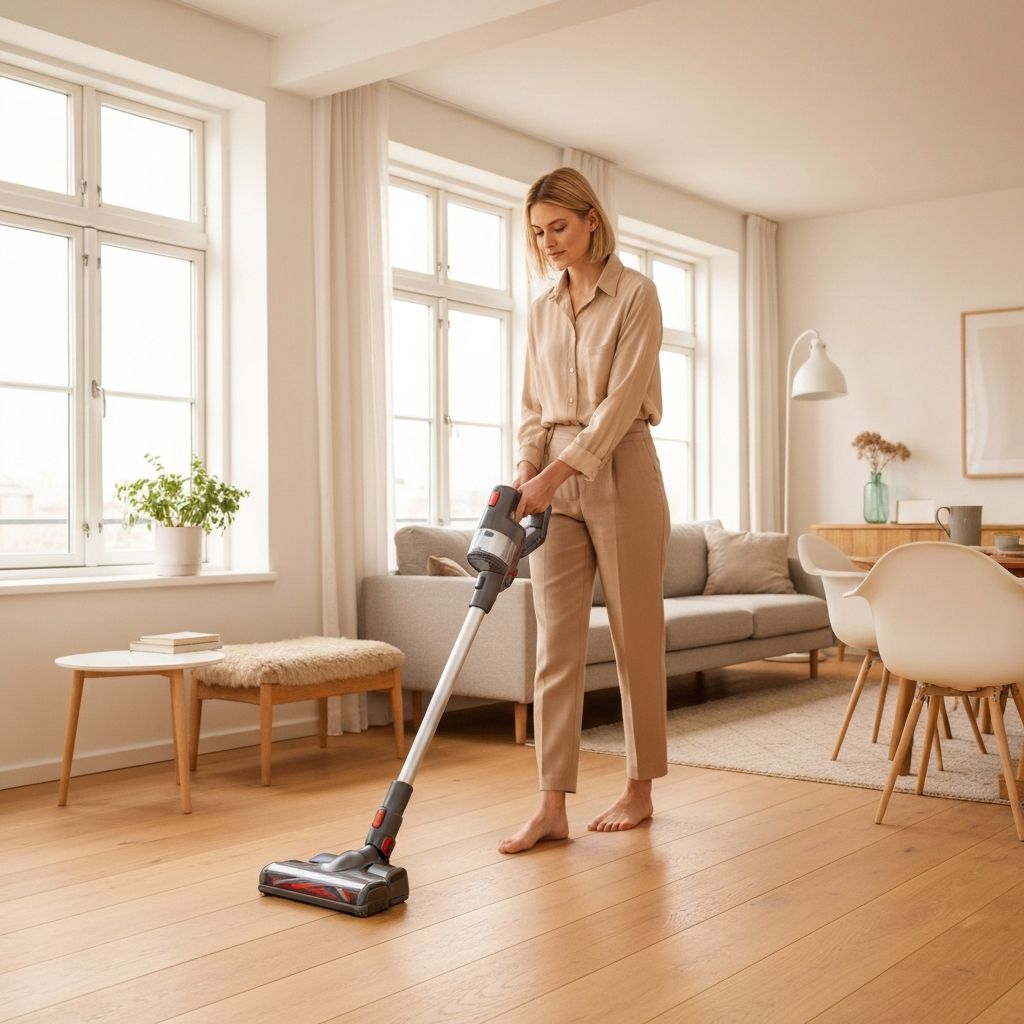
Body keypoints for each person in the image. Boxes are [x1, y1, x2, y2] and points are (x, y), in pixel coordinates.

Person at [498, 167, 670, 855]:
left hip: (622, 466)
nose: (549, 244)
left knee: (634, 640)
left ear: (591, 218)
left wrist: (558, 473)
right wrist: (524, 476)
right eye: (538, 234)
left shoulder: (637, 296)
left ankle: (640, 787)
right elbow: (535, 409)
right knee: (555, 647)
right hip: (553, 484)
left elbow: (621, 402)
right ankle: (551, 804)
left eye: (559, 228)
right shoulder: (541, 310)